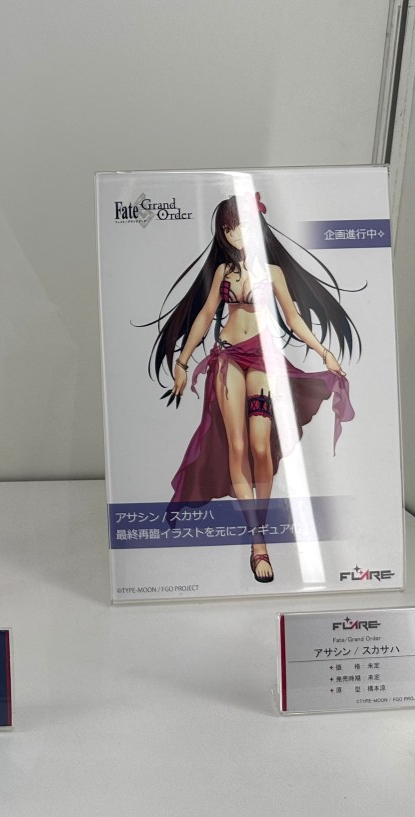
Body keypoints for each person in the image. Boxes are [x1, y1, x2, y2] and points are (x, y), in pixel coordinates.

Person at [146, 191, 355, 582]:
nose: (234, 235)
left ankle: (260, 525)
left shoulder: (273, 273)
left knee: (261, 444)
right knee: (237, 445)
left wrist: (323, 351)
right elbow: (206, 316)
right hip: (227, 357)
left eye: (240, 226)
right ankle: (258, 544)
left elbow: (294, 319)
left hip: (261, 358)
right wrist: (182, 361)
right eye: (228, 229)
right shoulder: (223, 273)